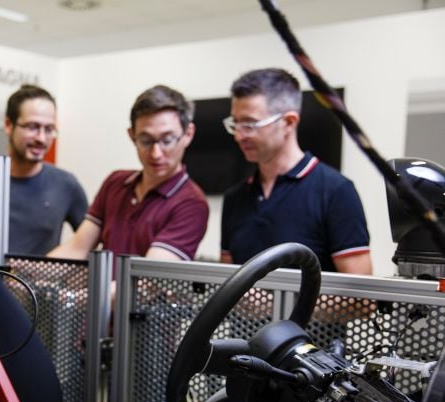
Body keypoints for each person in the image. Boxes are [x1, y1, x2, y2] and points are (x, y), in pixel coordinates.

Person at [220, 68, 372, 274]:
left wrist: (271, 304)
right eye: (236, 124)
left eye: (250, 124)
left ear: (289, 122)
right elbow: (225, 279)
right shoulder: (234, 199)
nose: (239, 135)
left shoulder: (336, 192)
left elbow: (361, 301)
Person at [48, 84, 208, 262]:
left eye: (167, 140)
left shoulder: (191, 203)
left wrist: (89, 291)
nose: (156, 153)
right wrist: (20, 272)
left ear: (188, 134)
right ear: (132, 136)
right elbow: (76, 249)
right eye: (146, 141)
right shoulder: (115, 183)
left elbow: (149, 280)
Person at [0, 84, 87, 256]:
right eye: (32, 127)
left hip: (39, 283)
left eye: (49, 129)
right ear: (8, 125)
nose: (41, 138)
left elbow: (89, 243)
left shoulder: (66, 185)